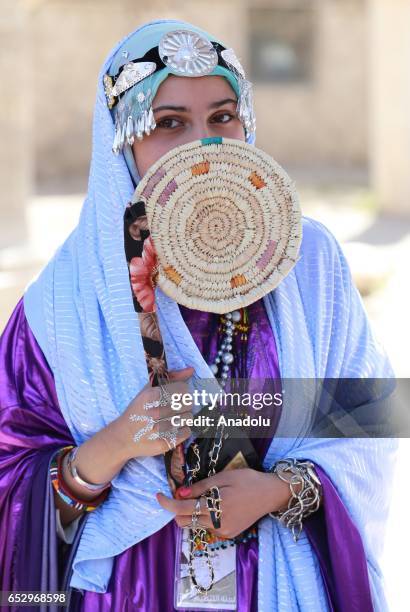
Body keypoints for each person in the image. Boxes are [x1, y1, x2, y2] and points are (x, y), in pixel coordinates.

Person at [0, 19, 397, 612]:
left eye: (222, 117)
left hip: (279, 586)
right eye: (167, 123)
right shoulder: (66, 300)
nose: (201, 143)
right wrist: (111, 447)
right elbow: (11, 468)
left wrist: (278, 490)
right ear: (120, 142)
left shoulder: (309, 265)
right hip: (131, 590)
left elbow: (373, 413)